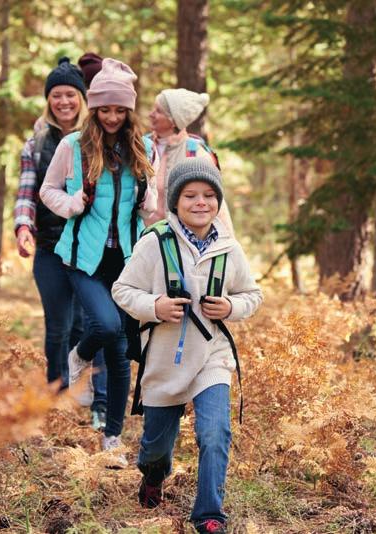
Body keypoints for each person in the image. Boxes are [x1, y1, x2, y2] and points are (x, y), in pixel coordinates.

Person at [111, 159, 263, 534]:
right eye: (191, 195)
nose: (201, 203)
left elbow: (252, 294)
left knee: (215, 432)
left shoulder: (229, 248)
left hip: (212, 355)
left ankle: (209, 515)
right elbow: (122, 290)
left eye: (209, 196)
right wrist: (155, 306)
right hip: (165, 359)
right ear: (175, 201)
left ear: (218, 201)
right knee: (156, 449)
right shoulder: (154, 243)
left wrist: (231, 307)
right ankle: (152, 475)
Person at [40, 58, 156, 455]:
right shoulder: (73, 146)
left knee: (121, 349)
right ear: (94, 109)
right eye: (104, 109)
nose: (110, 117)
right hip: (82, 257)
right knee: (104, 326)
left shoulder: (143, 146)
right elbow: (47, 191)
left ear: (129, 110)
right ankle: (78, 355)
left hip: (127, 259)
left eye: (118, 110)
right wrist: (71, 203)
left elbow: (149, 202)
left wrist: (150, 201)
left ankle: (113, 436)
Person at [13, 57, 109, 430]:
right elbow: (26, 193)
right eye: (56, 95)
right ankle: (56, 397)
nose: (63, 101)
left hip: (90, 246)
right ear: (48, 99)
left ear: (82, 98)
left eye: (70, 94)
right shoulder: (36, 142)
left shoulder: (97, 136)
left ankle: (90, 396)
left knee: (89, 325)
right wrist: (24, 226)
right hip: (51, 246)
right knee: (58, 326)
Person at [144, 88, 233, 233]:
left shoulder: (196, 154)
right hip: (141, 242)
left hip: (179, 245)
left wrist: (229, 247)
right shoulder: (141, 147)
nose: (151, 114)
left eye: (158, 111)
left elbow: (216, 205)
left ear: (174, 121)